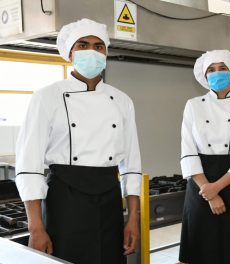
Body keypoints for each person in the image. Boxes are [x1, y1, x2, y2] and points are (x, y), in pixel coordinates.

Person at [14, 18, 142, 264]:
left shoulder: (122, 100)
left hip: (109, 198)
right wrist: (36, 228)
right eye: (82, 45)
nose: (91, 51)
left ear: (105, 53)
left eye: (98, 46)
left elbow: (132, 166)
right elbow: (29, 166)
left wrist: (132, 220)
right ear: (70, 52)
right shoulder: (46, 97)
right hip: (65, 200)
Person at [179, 50, 230, 264]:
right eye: (212, 70)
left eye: (222, 68)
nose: (217, 74)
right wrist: (209, 191)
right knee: (202, 251)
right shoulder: (193, 105)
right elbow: (188, 151)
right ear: (204, 76)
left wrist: (216, 188)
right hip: (201, 186)